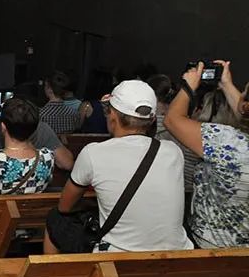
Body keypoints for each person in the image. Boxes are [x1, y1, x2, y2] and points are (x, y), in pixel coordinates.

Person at [45, 80, 192, 254]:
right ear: (152, 119)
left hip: (118, 255)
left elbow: (65, 206)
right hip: (177, 252)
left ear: (113, 116)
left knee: (55, 218)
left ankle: (53, 270)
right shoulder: (173, 151)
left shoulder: (93, 153)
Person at [164, 60, 249, 248]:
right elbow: (245, 112)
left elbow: (172, 119)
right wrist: (226, 85)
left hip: (213, 248)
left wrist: (188, 87)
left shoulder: (227, 142)